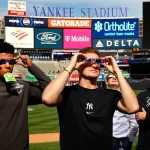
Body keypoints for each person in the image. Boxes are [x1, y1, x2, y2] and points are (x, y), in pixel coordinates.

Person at [42, 47, 139, 150]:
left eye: (97, 61)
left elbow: (133, 107)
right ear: (78, 64)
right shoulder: (67, 93)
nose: (94, 65)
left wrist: (117, 72)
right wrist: (70, 67)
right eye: (88, 61)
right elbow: (47, 99)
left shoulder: (110, 95)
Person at [0, 42, 50, 150]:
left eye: (11, 61)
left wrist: (32, 67)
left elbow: (49, 90)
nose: (8, 65)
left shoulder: (22, 86)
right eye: (2, 61)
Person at [105, 73, 138, 150]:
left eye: (116, 77)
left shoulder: (127, 99)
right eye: (111, 77)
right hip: (104, 139)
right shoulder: (99, 96)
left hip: (121, 140)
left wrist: (131, 140)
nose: (114, 78)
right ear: (106, 81)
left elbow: (134, 122)